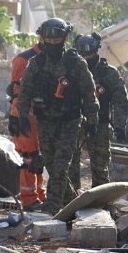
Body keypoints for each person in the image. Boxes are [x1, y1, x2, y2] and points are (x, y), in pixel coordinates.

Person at [19, 19, 97, 214]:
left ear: (65, 38)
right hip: (45, 122)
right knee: (53, 168)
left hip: (70, 122)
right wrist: (21, 116)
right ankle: (75, 205)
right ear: (43, 38)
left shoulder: (75, 63)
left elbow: (89, 92)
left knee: (61, 167)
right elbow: (25, 91)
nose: (53, 42)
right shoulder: (35, 64)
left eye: (57, 39)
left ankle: (52, 211)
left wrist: (92, 120)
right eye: (49, 39)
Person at [68, 32, 128, 188]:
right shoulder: (71, 71)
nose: (87, 58)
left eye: (90, 53)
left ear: (97, 50)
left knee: (100, 169)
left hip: (100, 125)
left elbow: (121, 100)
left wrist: (119, 125)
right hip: (74, 123)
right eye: (83, 54)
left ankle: (100, 204)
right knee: (70, 167)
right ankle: (71, 201)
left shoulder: (108, 73)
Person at [6, 36, 46, 212]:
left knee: (39, 157)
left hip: (40, 114)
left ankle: (39, 193)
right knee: (29, 156)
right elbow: (16, 92)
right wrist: (16, 117)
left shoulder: (50, 58)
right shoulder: (24, 59)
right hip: (24, 114)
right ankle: (29, 199)